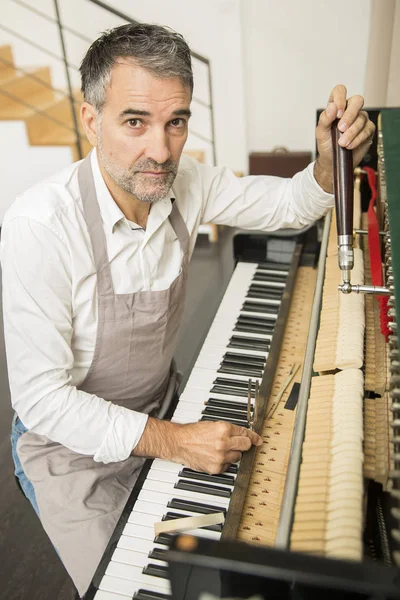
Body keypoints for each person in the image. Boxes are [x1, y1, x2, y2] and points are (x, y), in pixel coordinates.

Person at [1, 22, 375, 598]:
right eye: (135, 122)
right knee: (134, 589)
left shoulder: (187, 182)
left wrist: (327, 162)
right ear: (90, 120)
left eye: (176, 122)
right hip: (67, 450)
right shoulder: (40, 228)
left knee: (221, 568)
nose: (161, 149)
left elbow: (288, 206)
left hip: (160, 407)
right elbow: (42, 400)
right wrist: (175, 440)